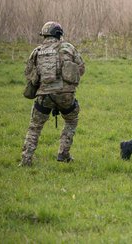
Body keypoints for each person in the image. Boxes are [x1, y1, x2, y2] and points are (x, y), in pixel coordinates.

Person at [20, 21, 85, 166]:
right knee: (71, 121)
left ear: (44, 34)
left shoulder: (36, 51)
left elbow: (28, 74)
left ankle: (26, 159)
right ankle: (63, 154)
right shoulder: (68, 47)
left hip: (44, 96)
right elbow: (81, 69)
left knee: (35, 126)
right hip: (66, 96)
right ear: (58, 34)